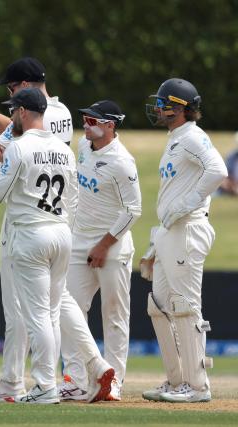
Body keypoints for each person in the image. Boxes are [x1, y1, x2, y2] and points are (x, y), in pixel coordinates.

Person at [0, 58, 112, 403]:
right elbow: (73, 197)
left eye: (14, 106)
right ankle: (51, 380)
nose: (12, 112)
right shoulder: (64, 148)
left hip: (30, 232)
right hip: (61, 230)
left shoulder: (19, 147)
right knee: (53, 310)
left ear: (25, 110)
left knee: (37, 314)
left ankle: (45, 386)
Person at [141, 78, 227, 403]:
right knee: (160, 305)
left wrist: (185, 204)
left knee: (186, 307)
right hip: (171, 232)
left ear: (178, 108)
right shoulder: (176, 138)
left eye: (163, 103)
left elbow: (217, 170)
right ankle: (176, 381)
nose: (158, 108)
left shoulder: (192, 136)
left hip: (188, 229)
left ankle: (197, 386)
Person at [60, 100, 141, 401]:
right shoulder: (83, 146)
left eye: (94, 120)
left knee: (114, 315)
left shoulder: (122, 161)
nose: (87, 124)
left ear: (110, 125)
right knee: (68, 310)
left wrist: (104, 245)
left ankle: (115, 382)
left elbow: (133, 210)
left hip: (113, 248)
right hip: (79, 241)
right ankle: (76, 379)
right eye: (85, 118)